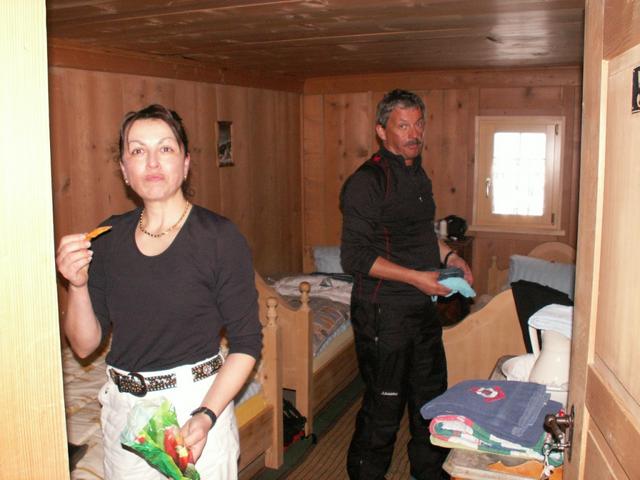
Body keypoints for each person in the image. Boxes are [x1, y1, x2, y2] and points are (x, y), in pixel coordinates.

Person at [56, 104, 262, 479]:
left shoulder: (218, 238)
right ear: (124, 169)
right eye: (137, 151)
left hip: (194, 405)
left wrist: (206, 415)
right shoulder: (107, 238)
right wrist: (78, 285)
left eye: (165, 148)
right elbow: (84, 347)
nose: (152, 162)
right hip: (124, 412)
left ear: (185, 163)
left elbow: (246, 344)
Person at [340, 89, 473, 480]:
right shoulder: (367, 181)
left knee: (431, 400)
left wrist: (450, 258)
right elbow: (355, 257)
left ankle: (428, 473)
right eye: (403, 126)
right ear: (382, 131)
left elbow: (420, 233)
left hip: (422, 309)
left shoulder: (417, 174)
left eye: (418, 124)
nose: (414, 134)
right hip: (383, 313)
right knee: (384, 407)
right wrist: (417, 278)